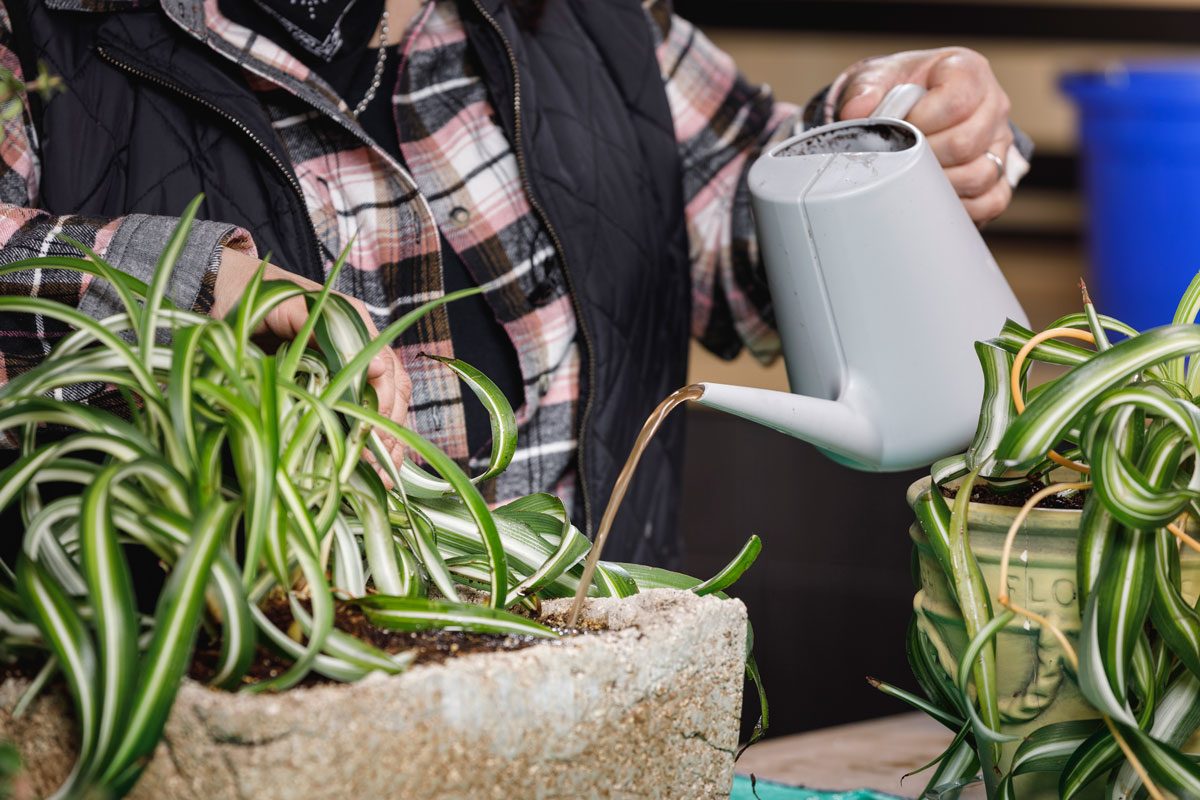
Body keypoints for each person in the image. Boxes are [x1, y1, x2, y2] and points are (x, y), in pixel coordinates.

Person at [0, 0, 1026, 568]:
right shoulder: (41, 34)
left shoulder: (589, 23)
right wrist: (186, 284)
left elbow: (746, 240)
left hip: (592, 730)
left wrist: (885, 131)